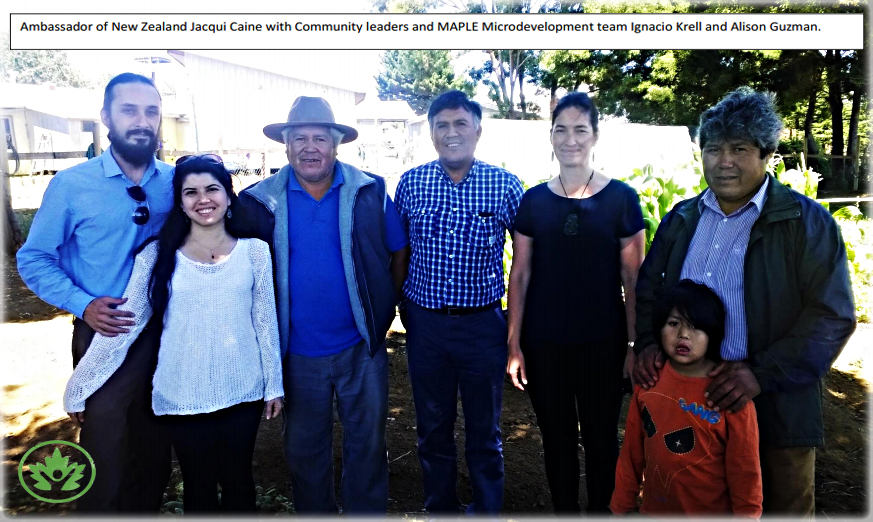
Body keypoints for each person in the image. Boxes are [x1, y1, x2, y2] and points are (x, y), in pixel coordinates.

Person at [633, 87, 856, 516]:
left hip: (776, 404)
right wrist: (646, 343)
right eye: (713, 148)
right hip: (690, 400)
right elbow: (650, 291)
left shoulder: (805, 223)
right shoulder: (682, 218)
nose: (725, 161)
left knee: (783, 506)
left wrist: (760, 373)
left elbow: (831, 314)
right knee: (696, 503)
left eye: (740, 148)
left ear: (767, 153)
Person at [63, 154, 284, 513]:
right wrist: (80, 385)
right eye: (190, 192)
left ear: (229, 196)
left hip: (243, 390)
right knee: (198, 488)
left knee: (239, 483)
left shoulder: (255, 252)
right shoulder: (157, 256)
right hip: (182, 392)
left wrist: (274, 384)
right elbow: (125, 327)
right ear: (180, 203)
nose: (203, 199)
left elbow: (265, 323)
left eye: (212, 189)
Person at [236, 96, 409, 515]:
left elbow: (398, 252)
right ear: (286, 145)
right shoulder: (258, 202)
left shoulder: (370, 190)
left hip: (360, 348)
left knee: (366, 445)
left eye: (319, 138)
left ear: (335, 145)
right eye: (300, 138)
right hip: (295, 353)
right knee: (304, 452)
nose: (309, 147)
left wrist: (383, 311)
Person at [16, 72, 173, 512]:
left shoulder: (177, 181)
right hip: (104, 332)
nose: (142, 121)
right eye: (129, 110)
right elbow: (34, 258)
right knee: (107, 451)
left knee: (155, 449)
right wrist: (83, 305)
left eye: (151, 111)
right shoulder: (71, 185)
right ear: (106, 117)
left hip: (166, 334)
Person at [505, 91, 645, 514]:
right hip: (544, 343)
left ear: (595, 136)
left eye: (580, 129)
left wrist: (635, 345)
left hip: (604, 342)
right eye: (561, 130)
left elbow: (633, 277)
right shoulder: (533, 201)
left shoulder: (621, 199)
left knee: (603, 438)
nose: (570, 139)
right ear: (550, 136)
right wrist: (514, 344)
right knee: (557, 439)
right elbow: (521, 274)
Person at [395, 90, 524, 515]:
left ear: (477, 131)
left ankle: (487, 510)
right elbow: (399, 253)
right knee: (433, 428)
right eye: (442, 126)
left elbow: (524, 263)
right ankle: (441, 508)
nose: (452, 133)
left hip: (482, 327)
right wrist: (403, 310)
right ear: (431, 133)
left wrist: (513, 332)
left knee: (484, 431)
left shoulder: (504, 186)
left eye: (460, 124)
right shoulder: (411, 183)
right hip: (425, 325)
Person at [611, 280, 762, 517]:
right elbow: (631, 454)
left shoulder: (730, 395)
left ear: (713, 333)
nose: (683, 334)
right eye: (673, 323)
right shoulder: (648, 382)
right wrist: (622, 507)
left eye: (695, 326)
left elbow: (745, 472)